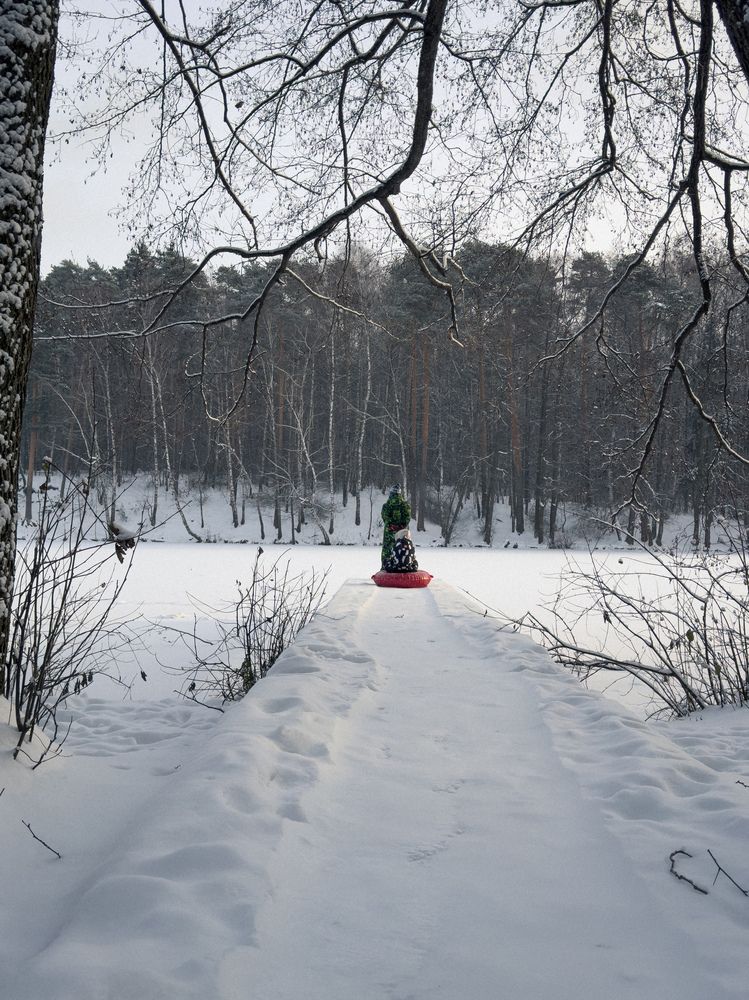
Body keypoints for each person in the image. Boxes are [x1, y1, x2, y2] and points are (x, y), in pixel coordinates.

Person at [380, 485, 411, 570]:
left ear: (391, 493)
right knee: (403, 550)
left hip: (389, 532)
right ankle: (403, 567)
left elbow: (385, 517)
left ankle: (385, 569)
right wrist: (401, 526)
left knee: (387, 551)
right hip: (402, 533)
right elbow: (407, 518)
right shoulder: (405, 505)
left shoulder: (386, 506)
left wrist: (391, 526)